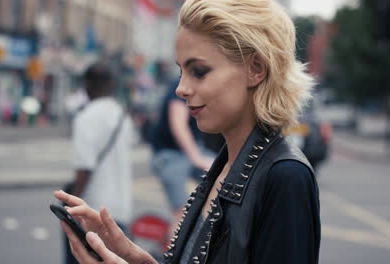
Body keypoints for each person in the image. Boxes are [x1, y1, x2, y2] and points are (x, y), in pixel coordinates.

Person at [54, 0, 321, 263]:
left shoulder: (286, 177)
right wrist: (137, 259)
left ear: (256, 69)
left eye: (199, 71)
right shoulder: (225, 164)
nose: (181, 88)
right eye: (181, 71)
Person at [63, 63, 134, 264]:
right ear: (111, 85)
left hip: (92, 211)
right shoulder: (122, 117)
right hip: (121, 210)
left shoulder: (86, 117)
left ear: (87, 85)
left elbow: (84, 167)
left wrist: (72, 203)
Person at [150, 78, 214, 240]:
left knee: (225, 182)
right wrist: (196, 158)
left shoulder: (207, 85)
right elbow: (178, 124)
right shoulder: (181, 85)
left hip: (193, 149)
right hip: (171, 154)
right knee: (181, 212)